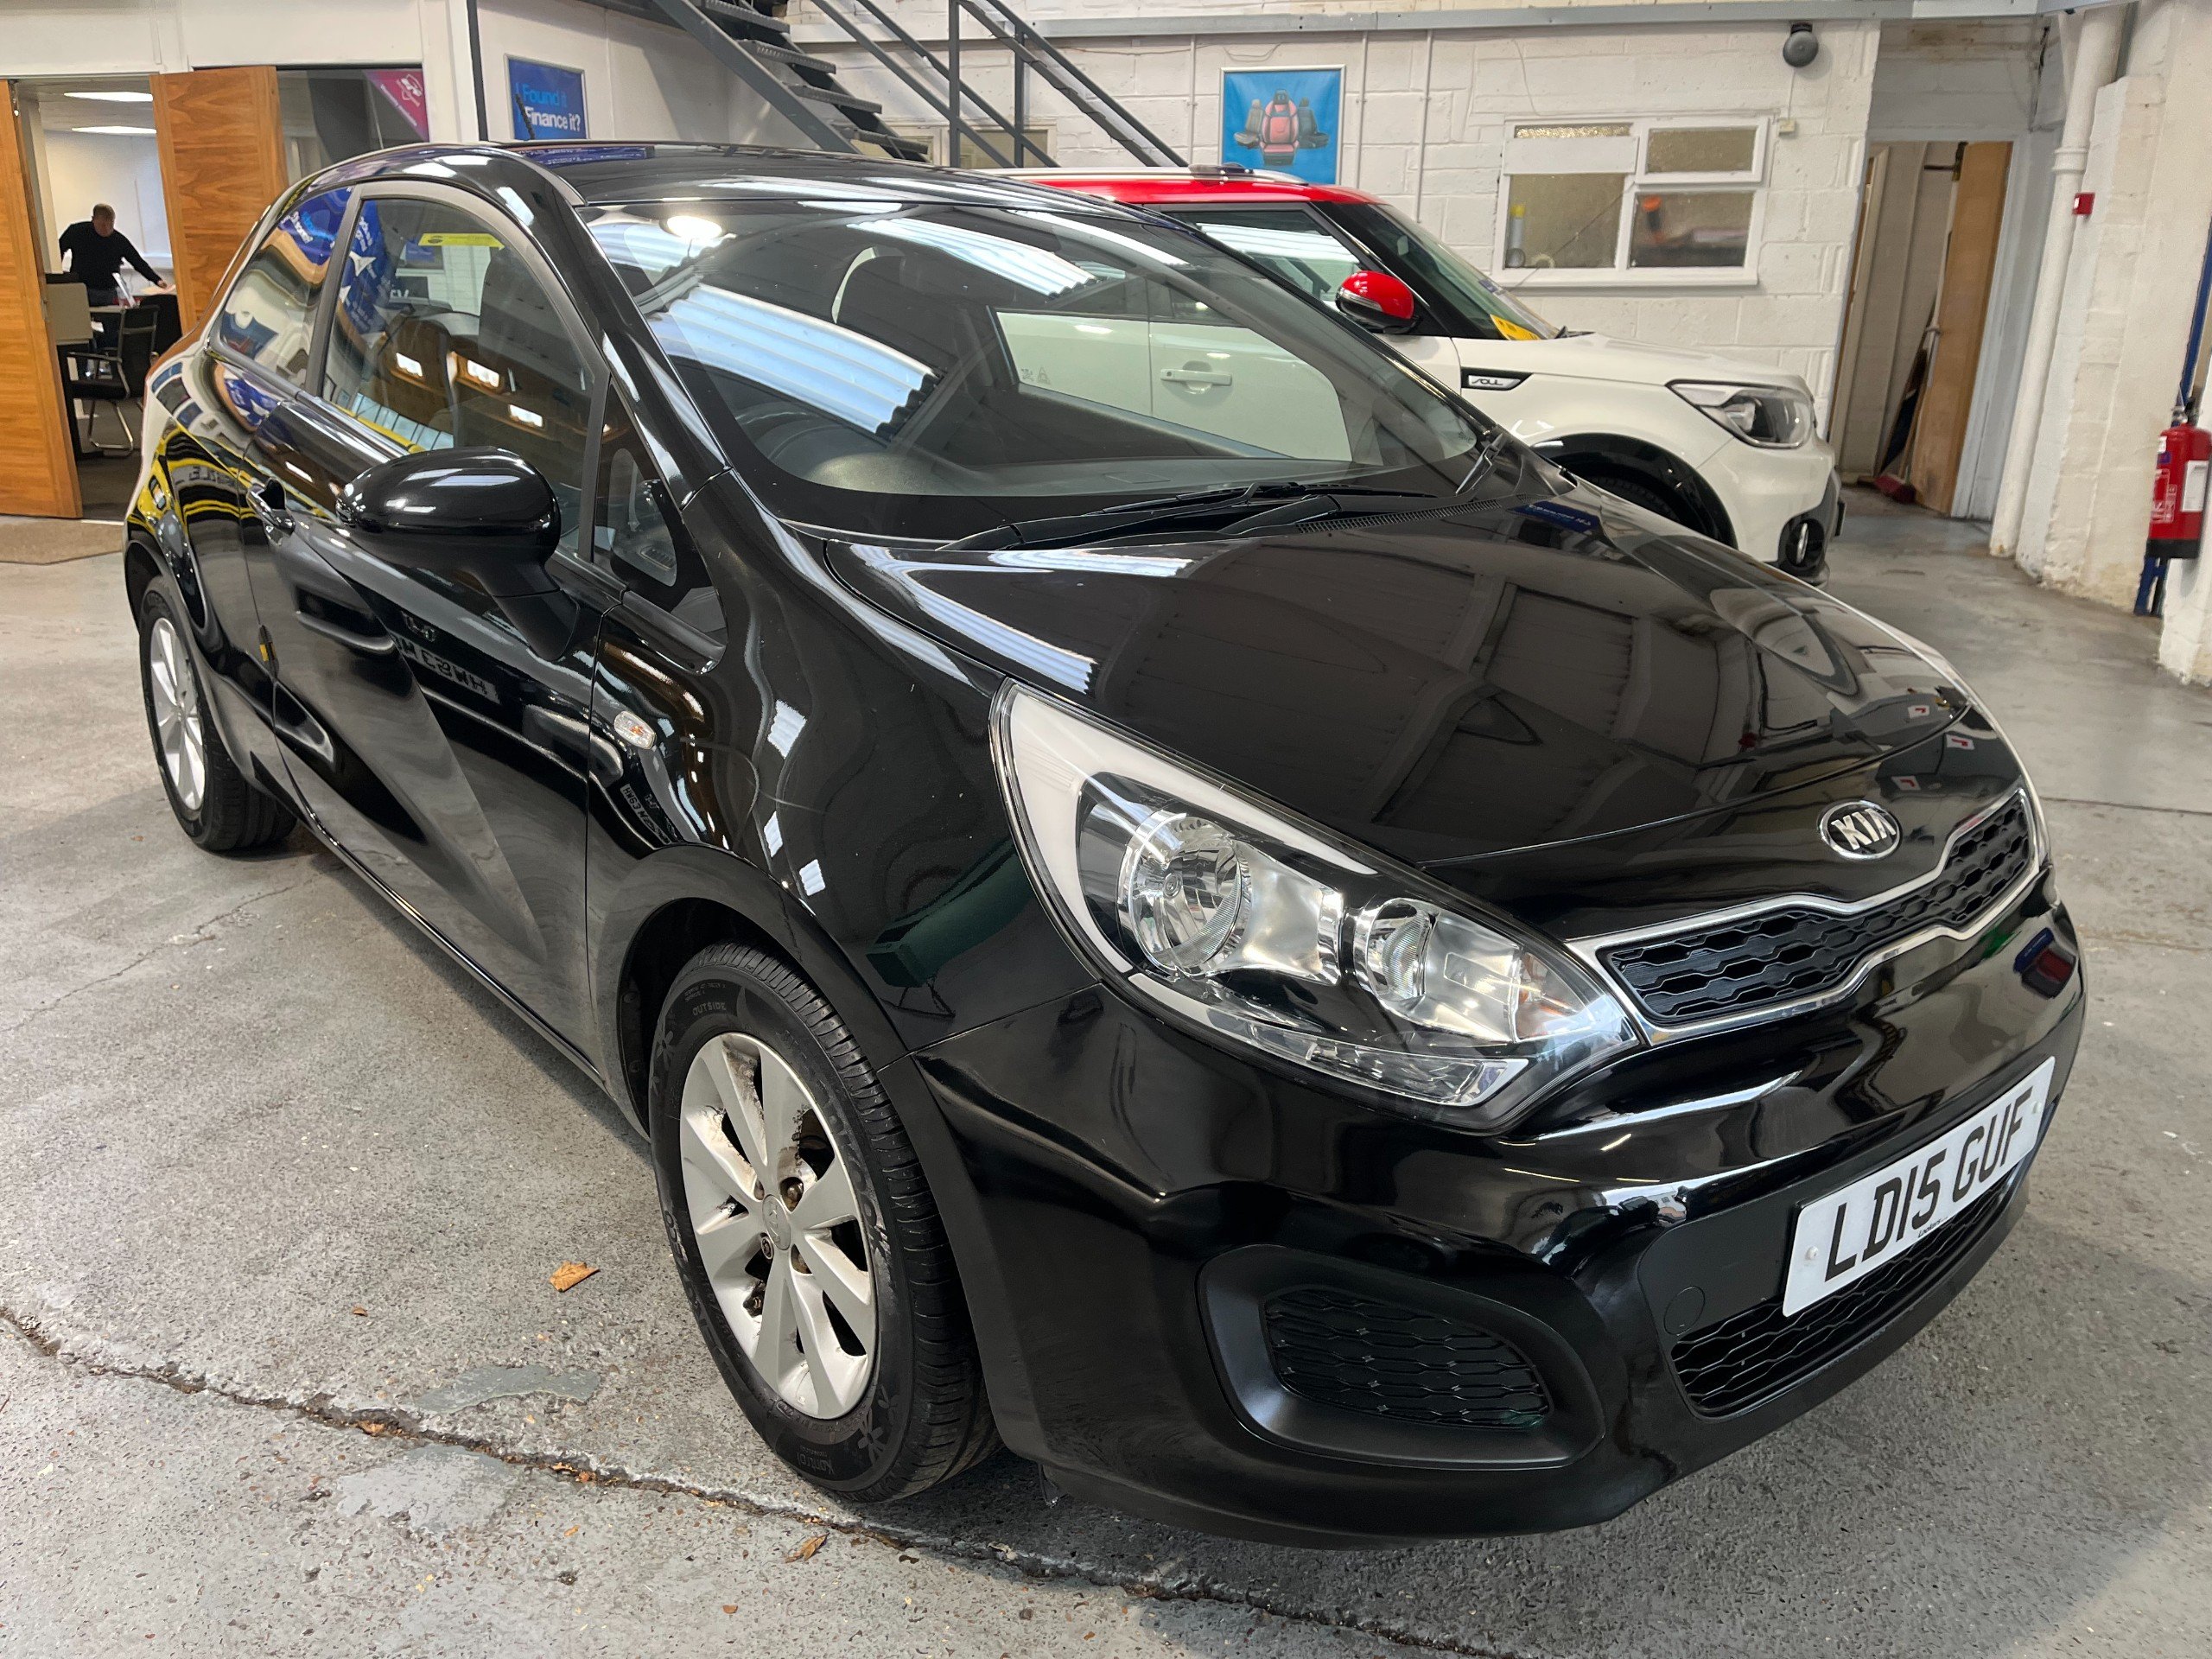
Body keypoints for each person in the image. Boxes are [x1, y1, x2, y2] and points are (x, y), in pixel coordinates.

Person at [58, 204, 170, 305]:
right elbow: (58, 250)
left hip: (108, 290)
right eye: (102, 225)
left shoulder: (119, 240)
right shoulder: (77, 232)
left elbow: (137, 261)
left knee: (111, 318)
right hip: (81, 288)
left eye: (111, 224)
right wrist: (57, 273)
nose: (107, 229)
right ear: (93, 220)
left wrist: (157, 280)